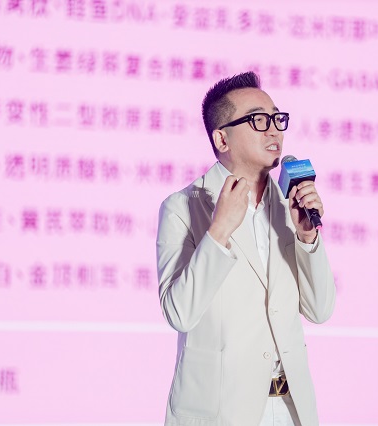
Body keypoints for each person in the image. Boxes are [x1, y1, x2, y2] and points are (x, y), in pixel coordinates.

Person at [156, 71, 336, 426]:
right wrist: (219, 230)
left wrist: (306, 238)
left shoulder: (290, 206)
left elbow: (320, 310)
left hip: (291, 410)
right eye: (258, 120)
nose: (274, 131)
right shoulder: (183, 207)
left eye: (277, 119)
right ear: (222, 138)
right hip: (221, 412)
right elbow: (179, 313)